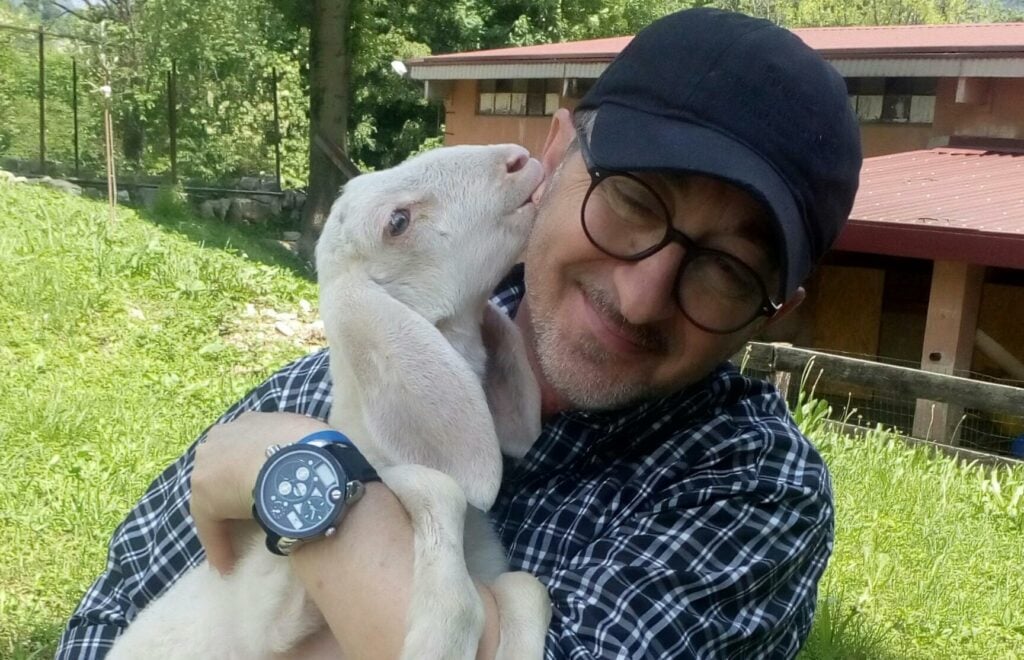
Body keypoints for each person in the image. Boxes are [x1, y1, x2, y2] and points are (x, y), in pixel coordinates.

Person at [58, 7, 861, 659]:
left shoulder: (747, 493)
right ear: (555, 150)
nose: (642, 294)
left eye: (726, 268)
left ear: (775, 309)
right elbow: (108, 621)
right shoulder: (345, 369)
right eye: (633, 200)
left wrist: (300, 478)